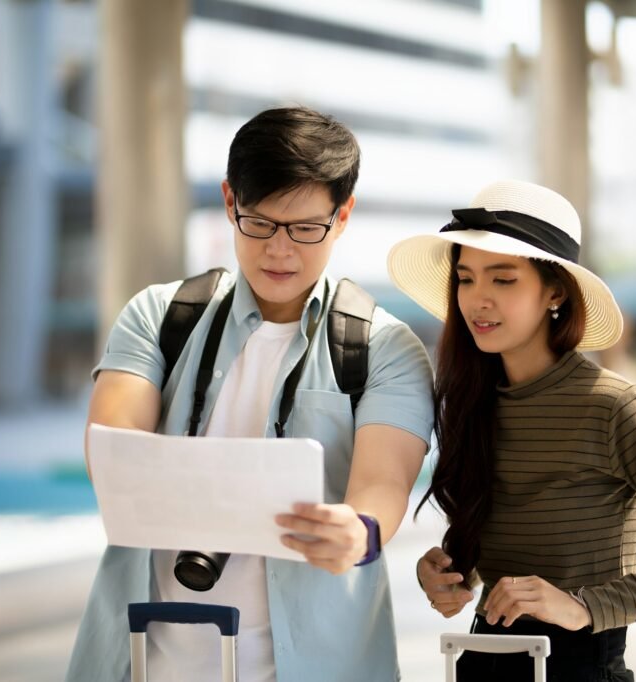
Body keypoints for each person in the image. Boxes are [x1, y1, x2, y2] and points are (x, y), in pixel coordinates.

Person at [67, 107, 434, 682]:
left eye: (306, 228)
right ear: (229, 201)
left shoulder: (386, 349)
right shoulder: (160, 315)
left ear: (343, 216)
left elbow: (382, 489)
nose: (279, 250)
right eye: (259, 222)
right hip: (141, 664)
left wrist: (355, 533)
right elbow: (114, 456)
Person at [387, 180, 636, 681]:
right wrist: (449, 570)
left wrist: (583, 607)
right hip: (479, 657)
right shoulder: (470, 401)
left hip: (580, 666)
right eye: (466, 279)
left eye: (503, 279)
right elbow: (507, 533)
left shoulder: (614, 407)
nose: (478, 299)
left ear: (554, 291)